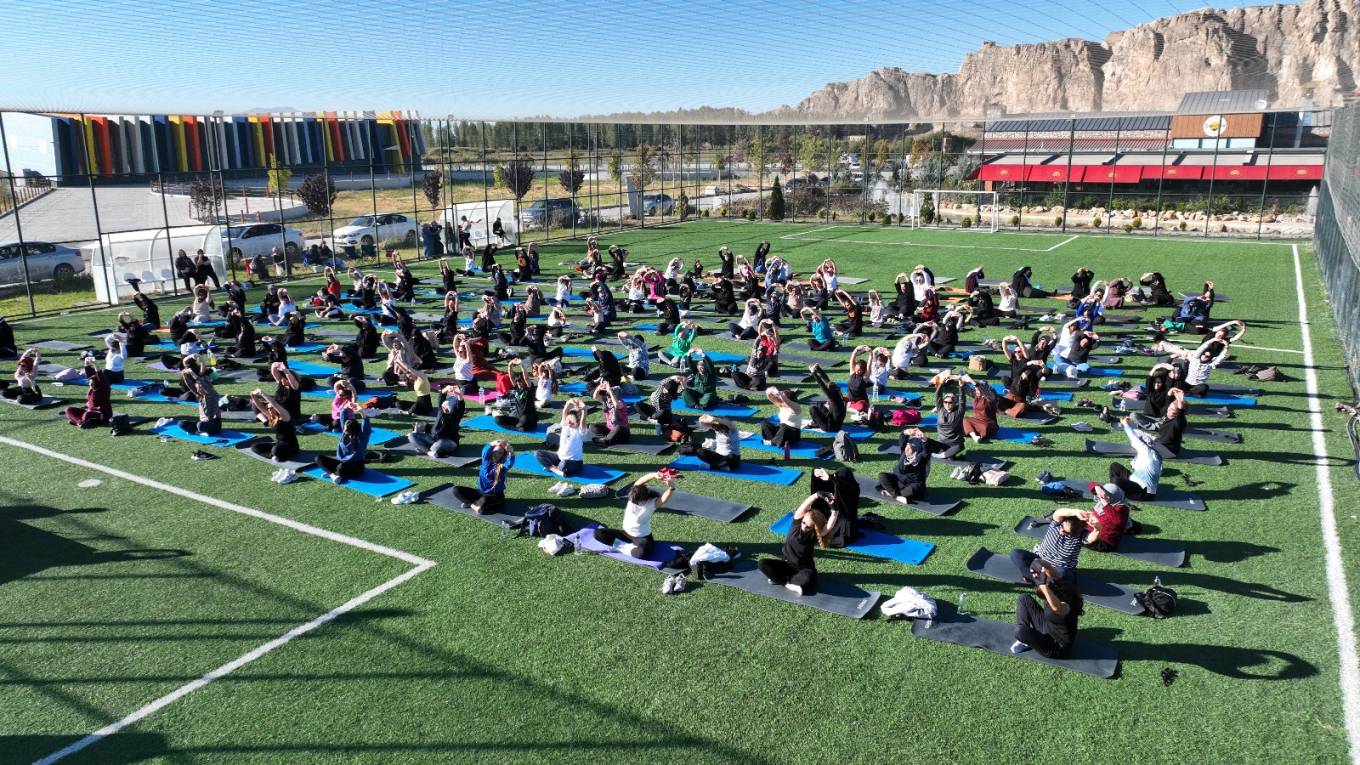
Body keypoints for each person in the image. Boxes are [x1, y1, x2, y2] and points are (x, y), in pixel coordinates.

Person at [594, 472, 678, 559]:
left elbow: (664, 499)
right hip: (625, 534)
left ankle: (622, 547)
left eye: (636, 502)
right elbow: (641, 480)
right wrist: (654, 475)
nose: (633, 503)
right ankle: (623, 546)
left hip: (642, 538)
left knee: (641, 554)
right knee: (598, 533)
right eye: (632, 500)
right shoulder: (633, 495)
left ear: (643, 498)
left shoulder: (651, 504)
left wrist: (671, 487)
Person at [1011, 559, 1083, 659]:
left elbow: (1057, 608)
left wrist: (1043, 586)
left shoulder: (1065, 605)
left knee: (1020, 631)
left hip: (1057, 647)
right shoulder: (1058, 582)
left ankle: (1026, 637)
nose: (1047, 575)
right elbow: (1050, 569)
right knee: (1024, 598)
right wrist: (1038, 562)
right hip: (1048, 626)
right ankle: (1025, 641)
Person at [757, 497, 829, 596]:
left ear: (813, 528)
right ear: (802, 519)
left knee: (809, 578)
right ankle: (787, 584)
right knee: (762, 563)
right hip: (786, 565)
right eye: (803, 523)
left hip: (803, 570)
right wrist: (816, 495)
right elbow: (803, 506)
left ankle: (780, 579)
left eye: (808, 526)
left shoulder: (813, 535)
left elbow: (827, 528)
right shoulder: (796, 524)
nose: (804, 527)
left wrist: (835, 511)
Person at [1009, 508, 1085, 581]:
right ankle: (1042, 581)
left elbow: (1094, 535)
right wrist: (1075, 512)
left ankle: (1037, 579)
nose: (1061, 530)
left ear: (1075, 533)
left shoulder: (1078, 538)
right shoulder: (1055, 526)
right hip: (1040, 561)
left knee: (1063, 572)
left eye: (1066, 532)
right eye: (1062, 526)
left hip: (1058, 569)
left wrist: (1095, 525)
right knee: (1015, 554)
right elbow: (1058, 512)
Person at [314, 401, 375, 482]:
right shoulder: (345, 433)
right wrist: (347, 406)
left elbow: (366, 422)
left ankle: (334, 472)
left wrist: (361, 411)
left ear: (352, 430)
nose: (344, 430)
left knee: (340, 468)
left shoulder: (362, 438)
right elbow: (343, 415)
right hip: (341, 462)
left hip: (356, 466)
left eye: (346, 429)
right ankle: (333, 475)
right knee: (318, 458)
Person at [453, 440, 515, 514]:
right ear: (492, 451)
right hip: (480, 492)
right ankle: (475, 506)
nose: (497, 454)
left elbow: (509, 464)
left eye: (500, 453)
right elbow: (485, 450)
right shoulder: (485, 461)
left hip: (494, 496)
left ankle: (471, 503)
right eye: (495, 451)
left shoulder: (501, 467)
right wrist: (494, 443)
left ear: (502, 455)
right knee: (456, 490)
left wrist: (511, 452)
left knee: (484, 501)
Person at [1109, 416, 1162, 501]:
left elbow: (1132, 436)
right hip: (1136, 481)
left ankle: (1114, 494)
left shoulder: (1145, 450)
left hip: (1143, 493)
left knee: (1116, 481)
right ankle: (1117, 490)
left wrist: (1125, 424)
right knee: (1115, 466)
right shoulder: (1153, 453)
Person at [810, 466, 860, 548]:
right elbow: (819, 484)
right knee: (814, 513)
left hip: (843, 516)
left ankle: (821, 534)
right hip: (829, 512)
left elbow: (845, 507)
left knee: (847, 526)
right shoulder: (835, 482)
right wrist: (816, 471)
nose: (835, 478)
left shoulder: (853, 488)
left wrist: (834, 509)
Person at [409, 386, 466, 458]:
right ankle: (428, 451)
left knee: (438, 445)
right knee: (412, 436)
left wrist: (459, 395)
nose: (444, 408)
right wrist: (447, 389)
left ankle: (424, 448)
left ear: (453, 408)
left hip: (449, 442)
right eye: (443, 406)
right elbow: (441, 395)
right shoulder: (441, 409)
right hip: (433, 438)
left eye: (446, 408)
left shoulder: (456, 415)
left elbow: (461, 405)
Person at [536, 398, 587, 477]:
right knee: (538, 453)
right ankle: (554, 469)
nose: (569, 422)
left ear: (578, 422)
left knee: (564, 464)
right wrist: (568, 402)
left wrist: (584, 410)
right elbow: (564, 412)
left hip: (575, 462)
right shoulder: (565, 425)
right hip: (559, 457)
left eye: (572, 421)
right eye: (568, 419)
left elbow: (583, 421)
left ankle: (552, 467)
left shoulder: (580, 431)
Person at [878, 430, 930, 504]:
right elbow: (903, 439)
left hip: (911, 486)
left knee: (915, 489)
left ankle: (891, 492)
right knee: (882, 476)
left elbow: (926, 451)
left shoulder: (921, 459)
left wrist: (923, 438)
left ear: (916, 450)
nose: (907, 449)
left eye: (910, 448)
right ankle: (896, 496)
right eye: (907, 446)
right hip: (897, 481)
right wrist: (906, 432)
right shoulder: (904, 452)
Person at [248, 388, 300, 461]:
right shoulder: (272, 417)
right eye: (268, 408)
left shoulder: (285, 416)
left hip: (291, 446)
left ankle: (275, 454)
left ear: (276, 408)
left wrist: (262, 393)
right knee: (254, 447)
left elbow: (274, 403)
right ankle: (272, 455)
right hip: (278, 443)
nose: (268, 409)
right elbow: (260, 407)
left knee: (276, 449)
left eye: (270, 408)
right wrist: (253, 396)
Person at [64, 355, 112, 428]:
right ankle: (80, 422)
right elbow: (89, 374)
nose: (89, 384)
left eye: (91, 383)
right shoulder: (91, 388)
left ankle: (79, 421)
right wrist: (86, 363)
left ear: (97, 382)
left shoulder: (104, 389)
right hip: (88, 410)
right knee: (68, 409)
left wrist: (95, 364)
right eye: (89, 382)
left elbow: (100, 375)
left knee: (87, 415)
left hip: (102, 414)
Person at [807, 363, 847, 433]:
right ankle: (818, 423)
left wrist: (813, 373)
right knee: (818, 405)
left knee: (812, 408)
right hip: (836, 424)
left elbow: (822, 386)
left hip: (830, 427)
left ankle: (817, 424)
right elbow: (827, 381)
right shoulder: (837, 394)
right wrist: (818, 369)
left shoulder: (833, 398)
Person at [761, 387, 802, 451]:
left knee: (784, 427)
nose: (781, 399)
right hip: (782, 430)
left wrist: (779, 393)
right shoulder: (782, 405)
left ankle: (773, 442)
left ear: (789, 399)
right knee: (765, 423)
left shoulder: (796, 408)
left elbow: (787, 401)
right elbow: (772, 398)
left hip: (793, 434)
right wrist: (768, 392)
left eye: (783, 398)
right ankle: (773, 439)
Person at [590, 381, 631, 446]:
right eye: (607, 396)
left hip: (623, 433)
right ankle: (611, 437)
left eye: (609, 396)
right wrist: (598, 388)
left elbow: (616, 405)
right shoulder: (607, 403)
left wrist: (610, 391)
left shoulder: (621, 403)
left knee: (618, 427)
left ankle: (606, 440)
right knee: (593, 426)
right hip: (610, 430)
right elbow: (595, 397)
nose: (608, 398)